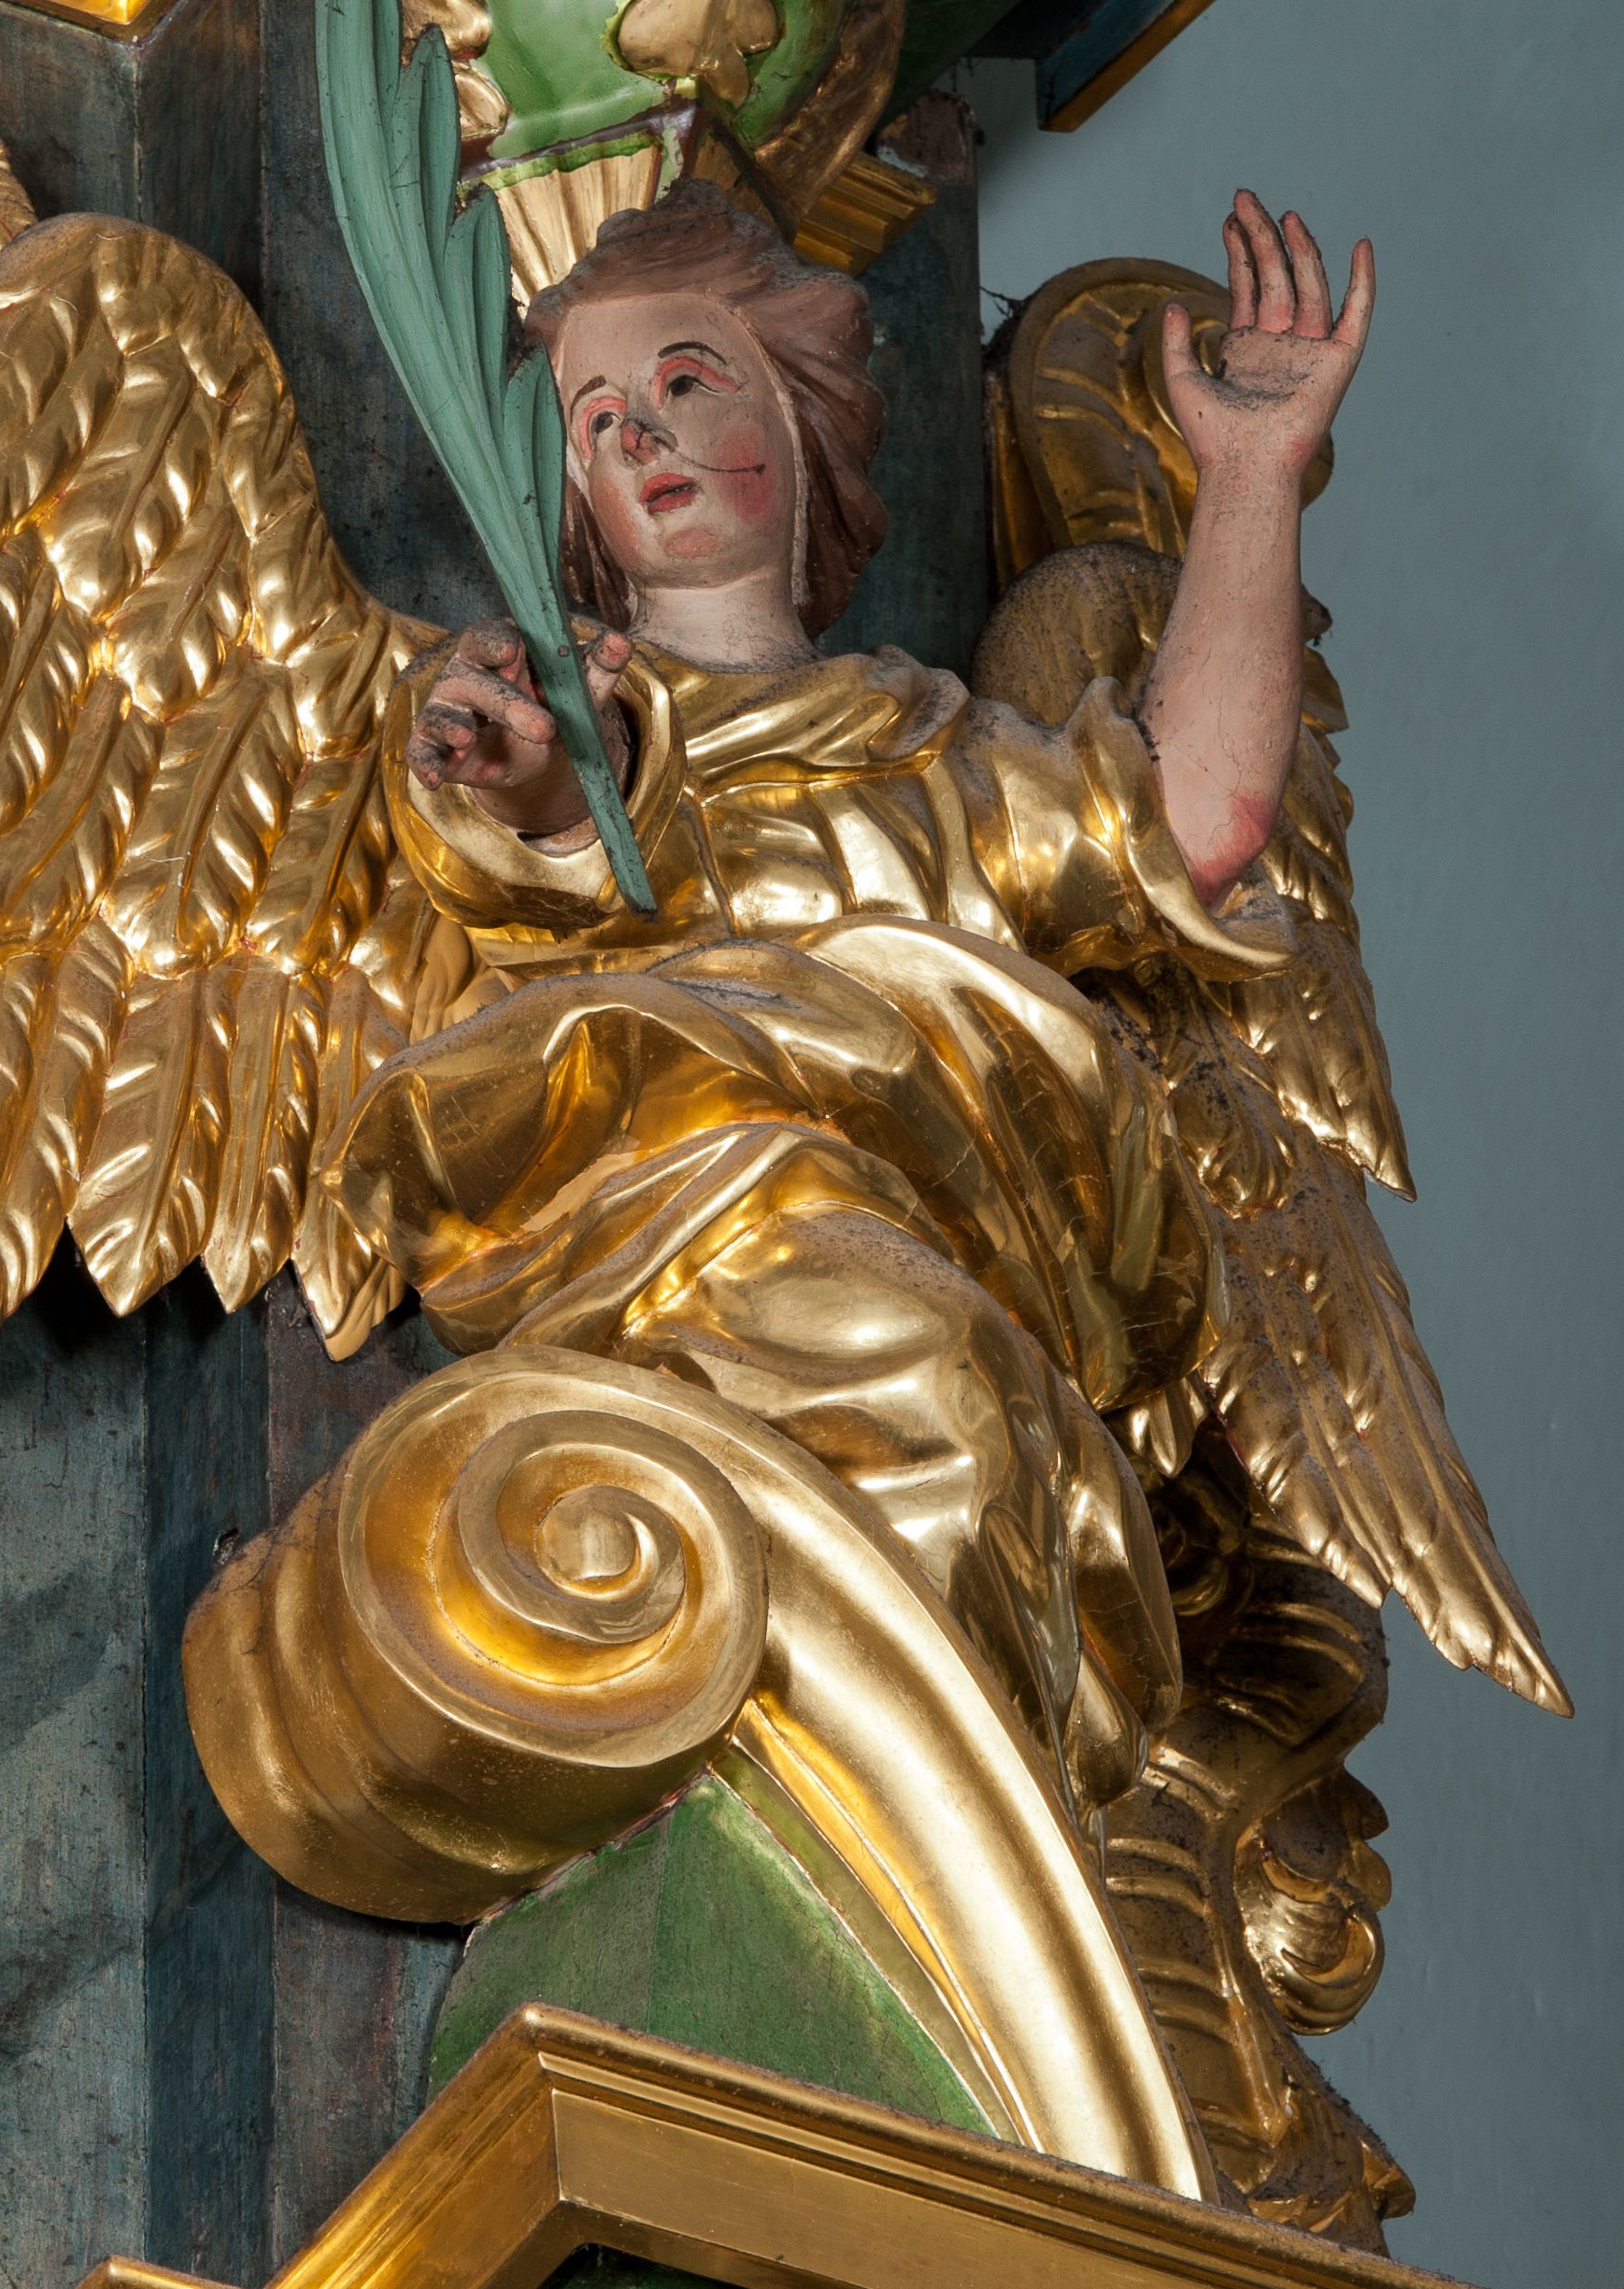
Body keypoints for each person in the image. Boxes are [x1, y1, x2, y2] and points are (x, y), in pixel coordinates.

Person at [317, 179, 1375, 1814]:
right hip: (708, 1241)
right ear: (576, 499)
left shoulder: (936, 749)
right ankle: (869, 1831)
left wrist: (1249, 475)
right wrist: (532, 785)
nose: (643, 431)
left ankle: (916, 1847)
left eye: (687, 382)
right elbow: (539, 831)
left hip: (949, 1248)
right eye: (598, 423)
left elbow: (1189, 818)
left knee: (1003, 1451)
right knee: (935, 1393)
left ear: (797, 423)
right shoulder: (584, 720)